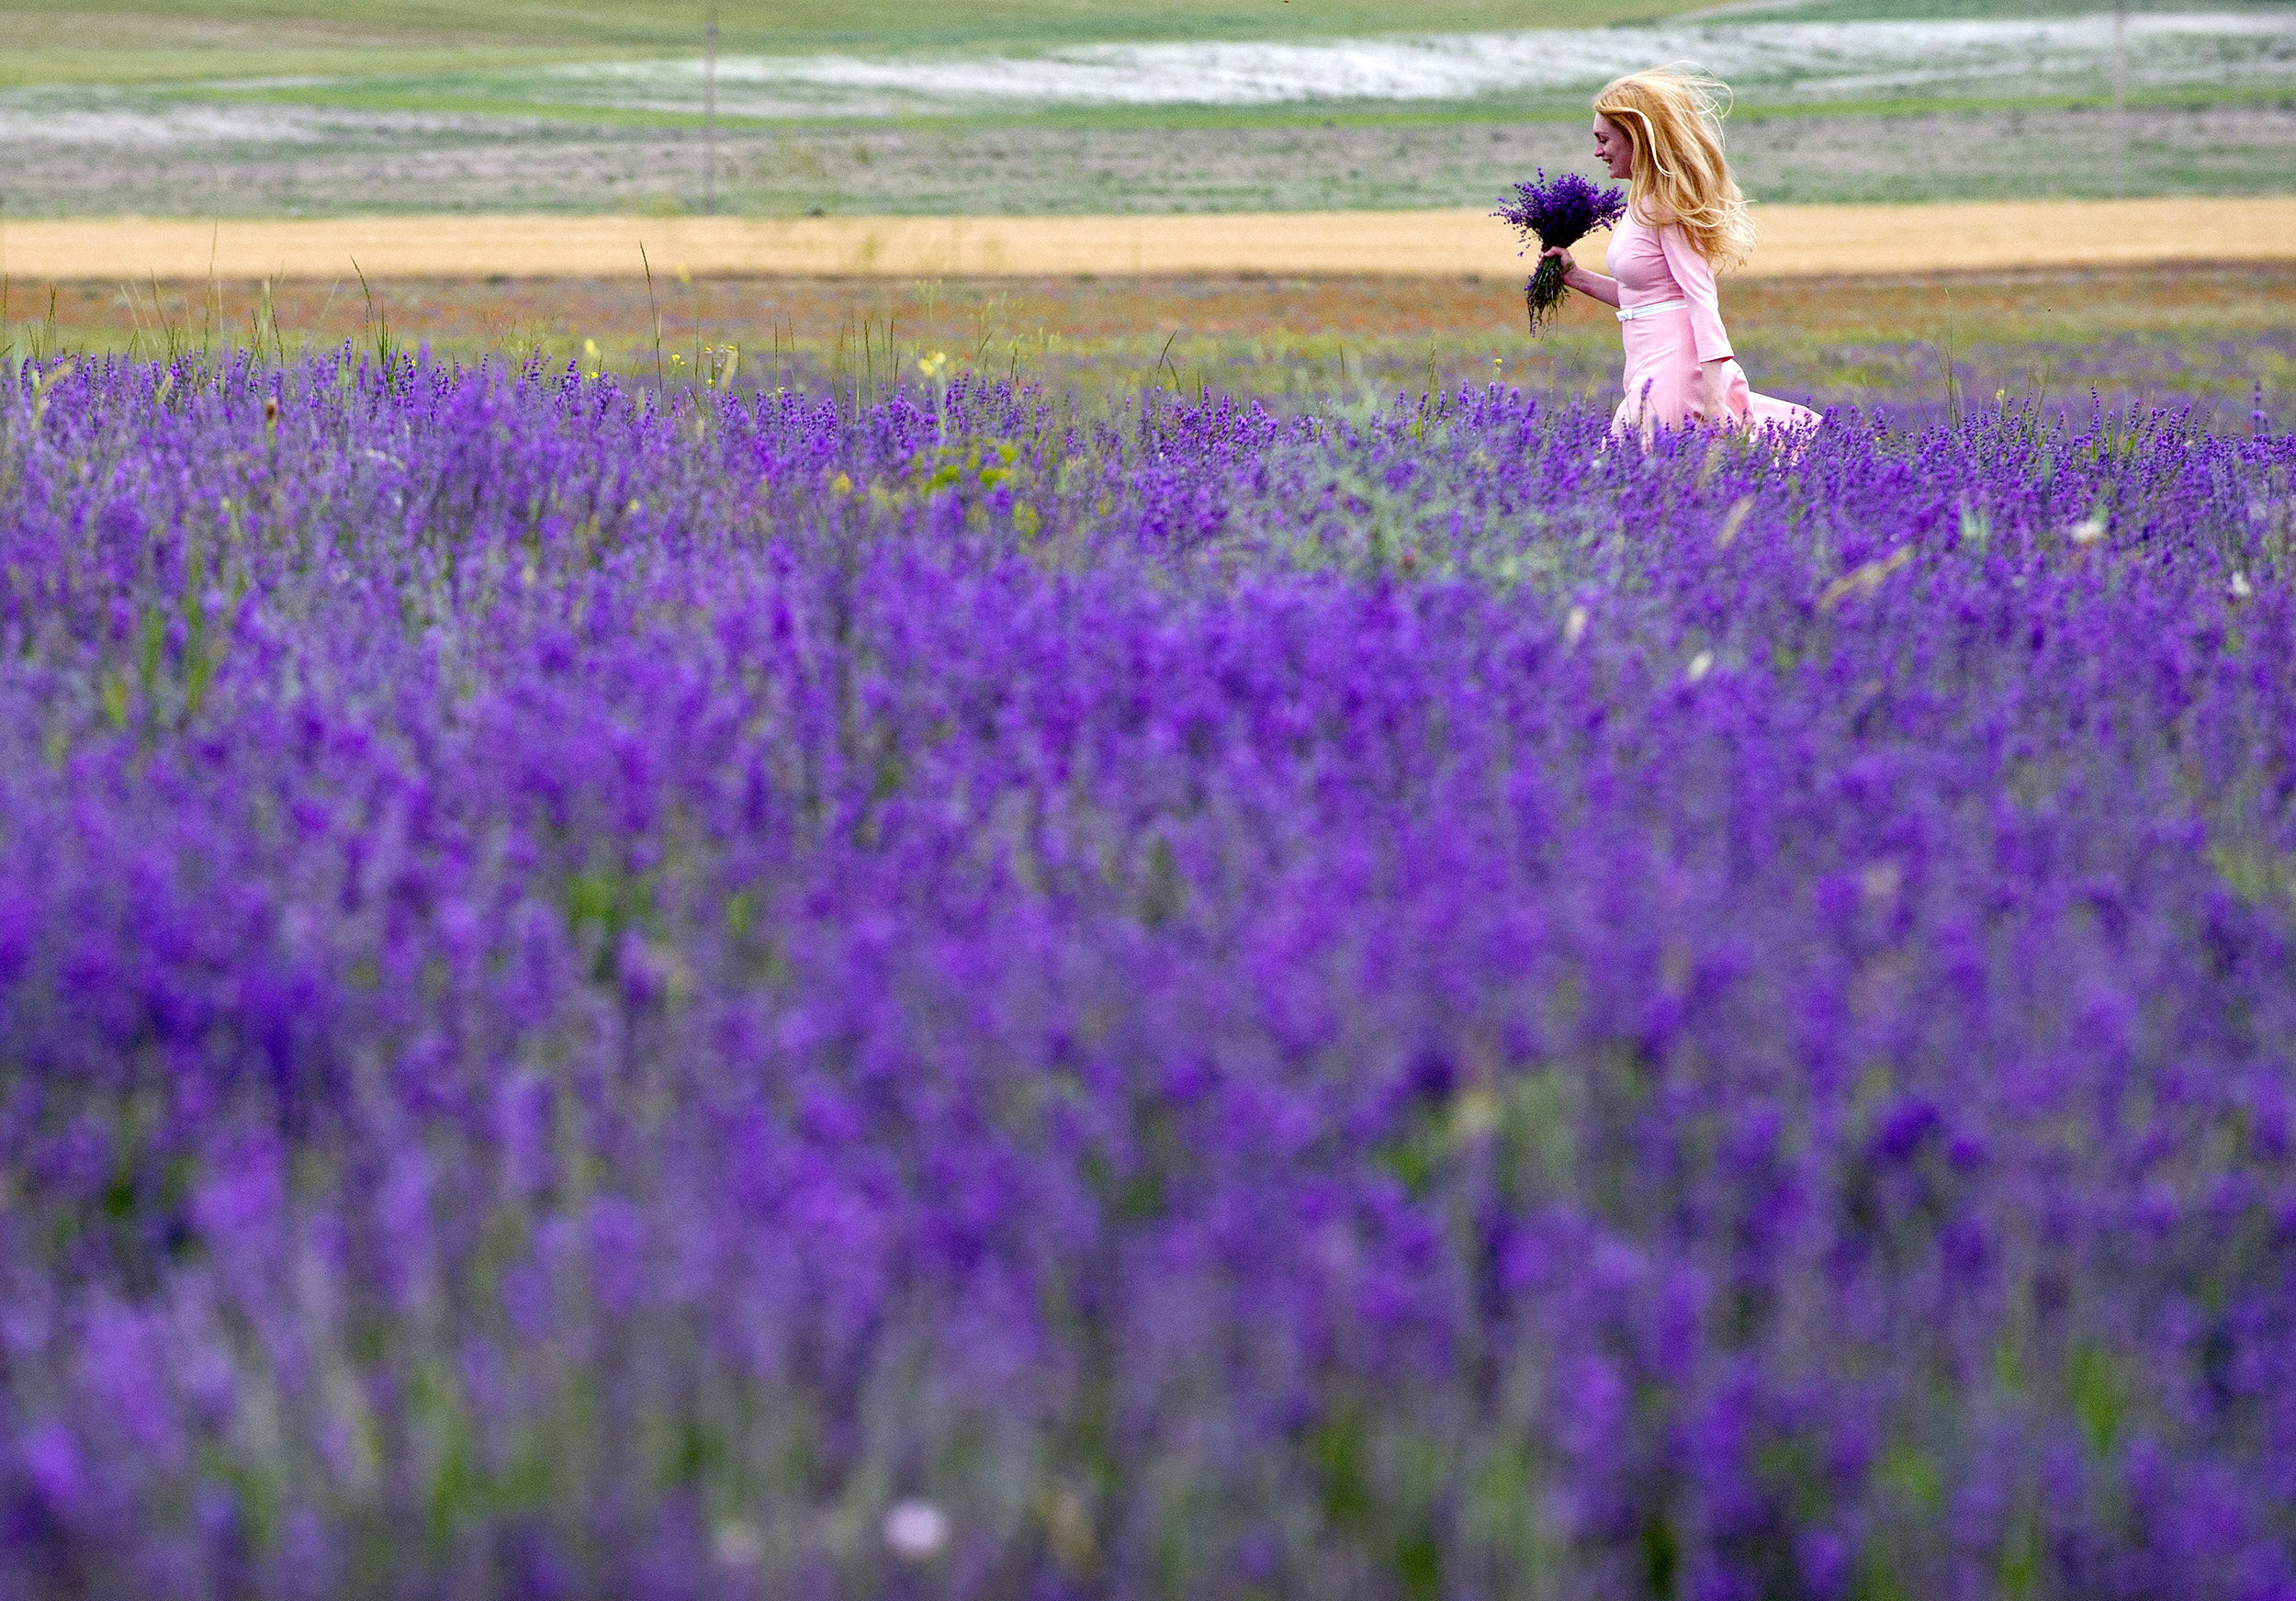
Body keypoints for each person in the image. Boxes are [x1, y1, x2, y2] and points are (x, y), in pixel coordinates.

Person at [1540, 67, 1817, 443]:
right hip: (1646, 355)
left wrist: (1715, 400)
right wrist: (1577, 277)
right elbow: (1646, 297)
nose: (1597, 151)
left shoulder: (1665, 206)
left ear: (1635, 137)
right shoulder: (1640, 202)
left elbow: (1700, 298)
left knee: (1636, 469)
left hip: (1674, 361)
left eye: (1604, 139)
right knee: (1653, 476)